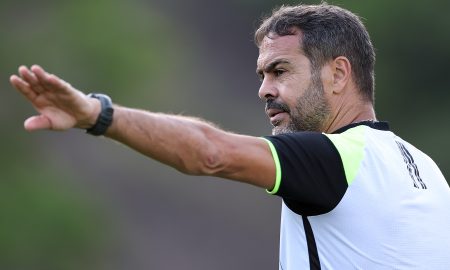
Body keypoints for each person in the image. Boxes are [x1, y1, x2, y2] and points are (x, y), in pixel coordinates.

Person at [9, 3, 450, 270]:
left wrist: (95, 113)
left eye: (280, 71)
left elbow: (211, 153)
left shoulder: (333, 158)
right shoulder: (426, 170)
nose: (264, 89)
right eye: (261, 75)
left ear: (338, 74)